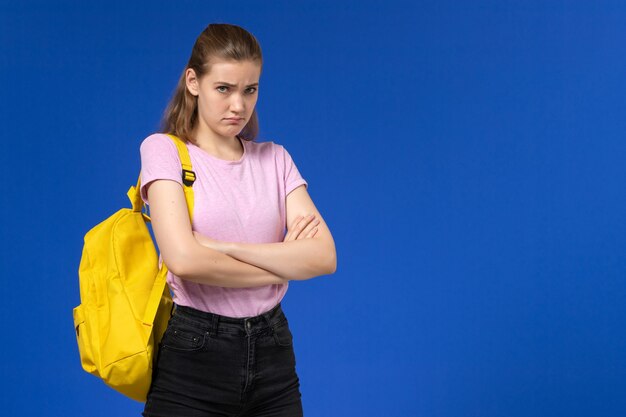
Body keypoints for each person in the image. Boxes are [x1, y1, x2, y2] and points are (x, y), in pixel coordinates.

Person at [138, 23, 337, 417]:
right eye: (224, 88)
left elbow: (324, 257)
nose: (238, 106)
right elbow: (185, 261)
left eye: (250, 90)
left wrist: (223, 247)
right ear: (193, 82)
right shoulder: (164, 151)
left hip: (273, 351)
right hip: (195, 354)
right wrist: (282, 262)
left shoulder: (275, 159)